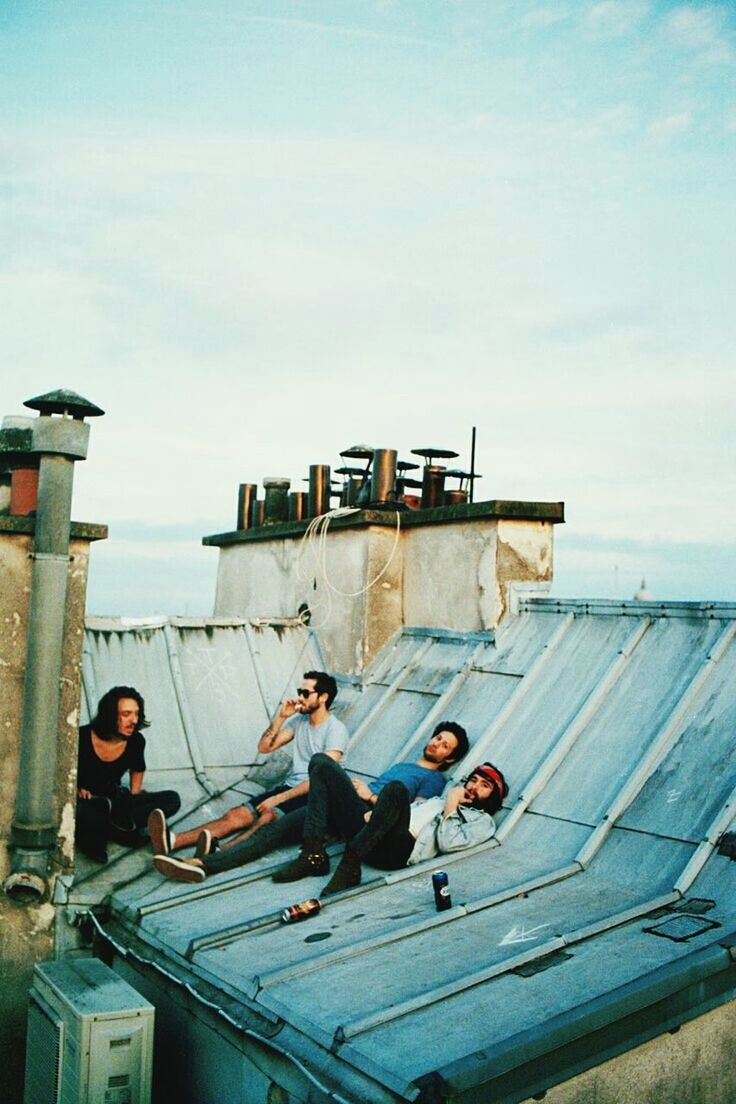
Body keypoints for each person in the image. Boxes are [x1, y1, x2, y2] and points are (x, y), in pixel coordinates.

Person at [152, 720, 471, 884]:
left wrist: (370, 797)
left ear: (450, 758)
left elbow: (406, 815)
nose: (437, 743)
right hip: (343, 813)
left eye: (445, 746)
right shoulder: (406, 764)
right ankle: (201, 865)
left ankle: (314, 853)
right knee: (272, 833)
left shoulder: (435, 780)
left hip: (365, 815)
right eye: (438, 737)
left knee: (321, 762)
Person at [147, 671, 348, 857]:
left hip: (316, 795)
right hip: (291, 787)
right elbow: (265, 747)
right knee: (237, 815)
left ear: (323, 697)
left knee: (267, 817)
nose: (300, 697)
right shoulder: (300, 721)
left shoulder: (335, 730)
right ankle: (173, 841)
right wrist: (281, 717)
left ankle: (219, 853)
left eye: (305, 693)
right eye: (299, 692)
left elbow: (321, 779)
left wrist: (278, 798)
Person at [275, 756, 508, 896]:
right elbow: (400, 811)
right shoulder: (437, 801)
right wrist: (377, 815)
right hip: (371, 832)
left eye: (484, 785)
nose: (474, 786)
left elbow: (448, 843)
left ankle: (350, 868)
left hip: (397, 850)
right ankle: (313, 854)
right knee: (321, 763)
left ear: (493, 797)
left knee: (396, 789)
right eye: (473, 780)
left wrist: (451, 803)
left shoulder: (483, 821)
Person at [75, 686, 181, 863]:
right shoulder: (81, 736)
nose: (133, 720)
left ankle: (116, 827)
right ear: (109, 715)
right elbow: (58, 771)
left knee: (172, 799)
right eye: (126, 714)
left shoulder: (136, 741)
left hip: (115, 799)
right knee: (87, 813)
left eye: (136, 714)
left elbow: (138, 768)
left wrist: (135, 795)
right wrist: (76, 788)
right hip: (86, 801)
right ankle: (116, 832)